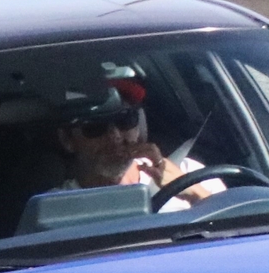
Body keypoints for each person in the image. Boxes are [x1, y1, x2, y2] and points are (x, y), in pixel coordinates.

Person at [52, 68, 208, 207]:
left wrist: (191, 191)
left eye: (125, 120)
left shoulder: (191, 172)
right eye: (95, 126)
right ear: (67, 139)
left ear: (139, 125)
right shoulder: (53, 208)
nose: (115, 136)